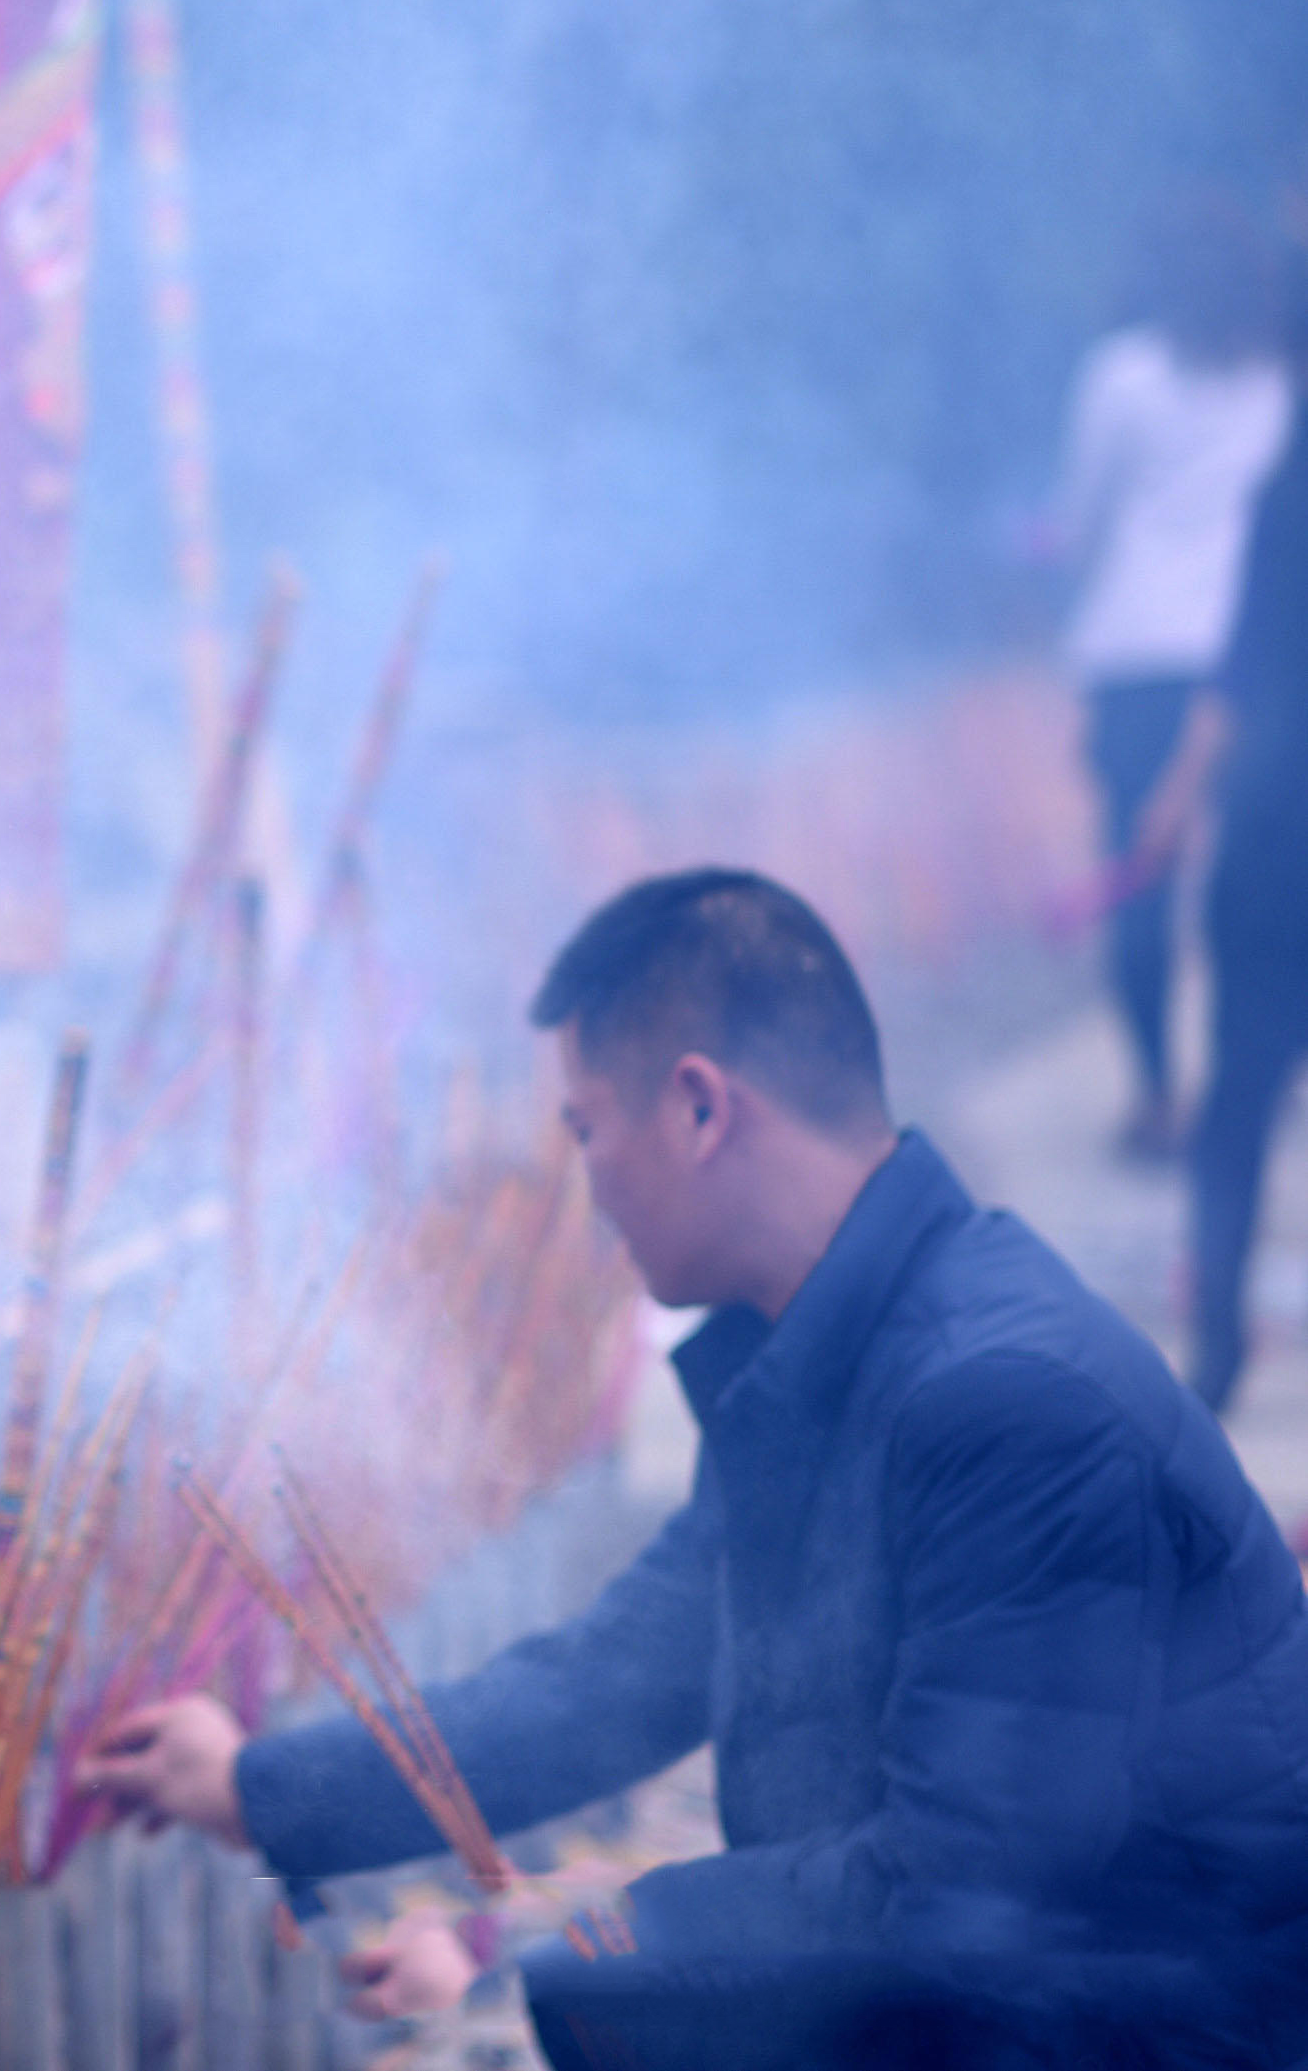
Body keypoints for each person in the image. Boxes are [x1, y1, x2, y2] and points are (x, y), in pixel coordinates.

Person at [88, 871, 1308, 2069]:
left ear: (699, 1109)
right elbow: (609, 1686)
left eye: (586, 1129)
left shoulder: (1008, 1401)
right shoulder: (834, 1358)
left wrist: (551, 1981)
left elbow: (955, 1893)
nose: (587, 1185)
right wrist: (261, 1788)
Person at [1047, 191, 1291, 1161]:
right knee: (1257, 882)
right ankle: (1251, 1081)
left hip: (1138, 656)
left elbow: (1083, 522)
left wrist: (1064, 569)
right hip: (1249, 663)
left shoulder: (1121, 376)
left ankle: (1158, 1096)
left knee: (1140, 878)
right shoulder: (1281, 384)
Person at [1137, 397, 1308, 1417]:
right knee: (1238, 1104)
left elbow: (1240, 672)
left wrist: (1174, 796)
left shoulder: (1290, 487)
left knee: (1236, 1107)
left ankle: (1214, 1352)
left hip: (1275, 840)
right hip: (1272, 842)